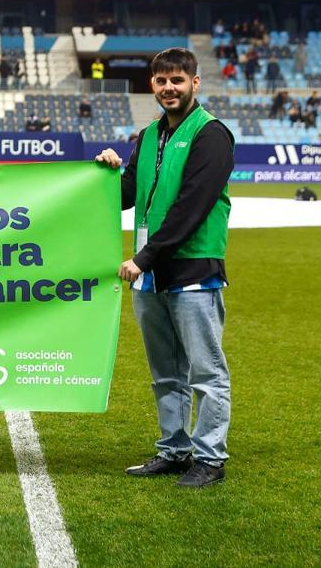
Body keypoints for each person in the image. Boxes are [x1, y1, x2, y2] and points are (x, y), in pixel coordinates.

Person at [95, 47, 233, 488]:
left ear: (195, 83)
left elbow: (191, 208)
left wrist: (142, 259)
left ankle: (210, 458)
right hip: (150, 273)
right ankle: (174, 449)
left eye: (177, 80)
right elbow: (129, 193)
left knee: (206, 371)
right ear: (151, 85)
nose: (168, 88)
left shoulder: (211, 135)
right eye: (160, 81)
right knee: (166, 371)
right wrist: (104, 177)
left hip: (193, 270)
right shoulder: (149, 135)